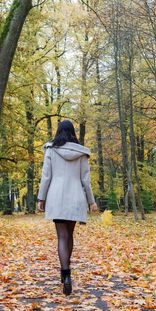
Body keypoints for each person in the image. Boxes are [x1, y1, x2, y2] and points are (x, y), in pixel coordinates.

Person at [37, 120, 98, 295]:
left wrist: (41, 197)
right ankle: (67, 272)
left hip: (57, 197)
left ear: (58, 132)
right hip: (75, 198)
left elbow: (46, 176)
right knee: (70, 235)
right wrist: (91, 201)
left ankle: (65, 274)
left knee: (61, 237)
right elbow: (85, 179)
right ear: (73, 133)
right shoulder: (81, 153)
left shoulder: (51, 150)